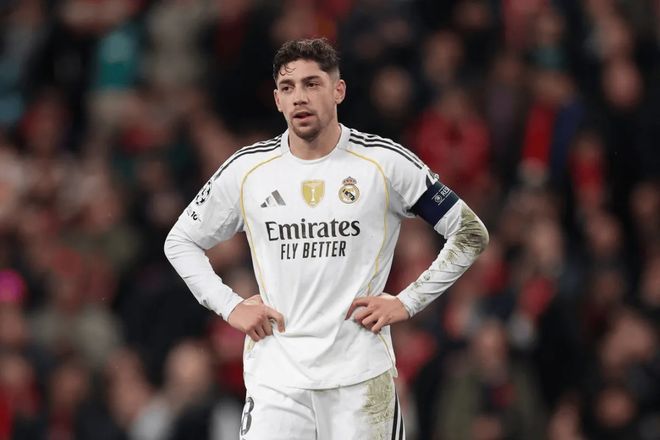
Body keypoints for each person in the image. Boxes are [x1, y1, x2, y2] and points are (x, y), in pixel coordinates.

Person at [164, 38, 489, 440]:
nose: (299, 97)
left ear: (339, 90)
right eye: (288, 87)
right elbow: (180, 241)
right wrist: (229, 306)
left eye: (312, 84)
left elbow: (469, 231)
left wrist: (407, 301)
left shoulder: (382, 163)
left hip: (360, 382)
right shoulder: (248, 170)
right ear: (277, 100)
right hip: (277, 382)